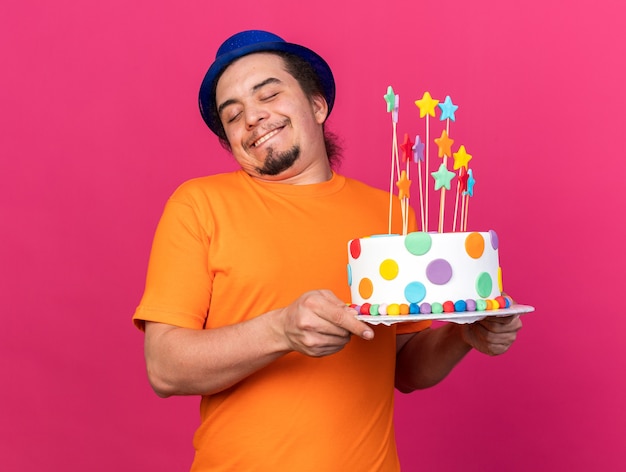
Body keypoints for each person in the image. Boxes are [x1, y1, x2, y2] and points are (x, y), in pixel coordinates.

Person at [133, 30, 522, 471]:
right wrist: (281, 330)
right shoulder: (198, 206)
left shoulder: (390, 213)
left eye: (269, 95)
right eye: (233, 115)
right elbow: (164, 368)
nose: (253, 118)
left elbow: (406, 368)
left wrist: (461, 335)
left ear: (317, 105)